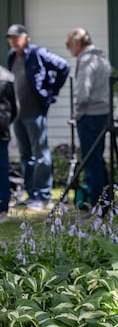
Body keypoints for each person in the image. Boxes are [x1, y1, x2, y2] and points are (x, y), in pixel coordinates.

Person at [5, 24, 70, 210]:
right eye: (10, 38)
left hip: (35, 112)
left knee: (41, 155)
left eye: (16, 37)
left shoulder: (38, 53)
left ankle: (43, 196)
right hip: (17, 115)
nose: (13, 41)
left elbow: (63, 66)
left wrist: (51, 93)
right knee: (25, 156)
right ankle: (32, 194)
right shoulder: (12, 56)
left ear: (26, 37)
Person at [66, 27, 111, 207]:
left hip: (89, 116)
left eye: (68, 44)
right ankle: (106, 203)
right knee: (98, 160)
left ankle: (97, 207)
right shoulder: (102, 59)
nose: (68, 48)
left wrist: (76, 114)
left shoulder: (86, 61)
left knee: (91, 162)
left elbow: (83, 95)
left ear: (78, 44)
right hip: (103, 114)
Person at [0, 65, 17, 222]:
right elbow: (14, 108)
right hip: (2, 128)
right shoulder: (7, 76)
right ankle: (3, 210)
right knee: (2, 169)